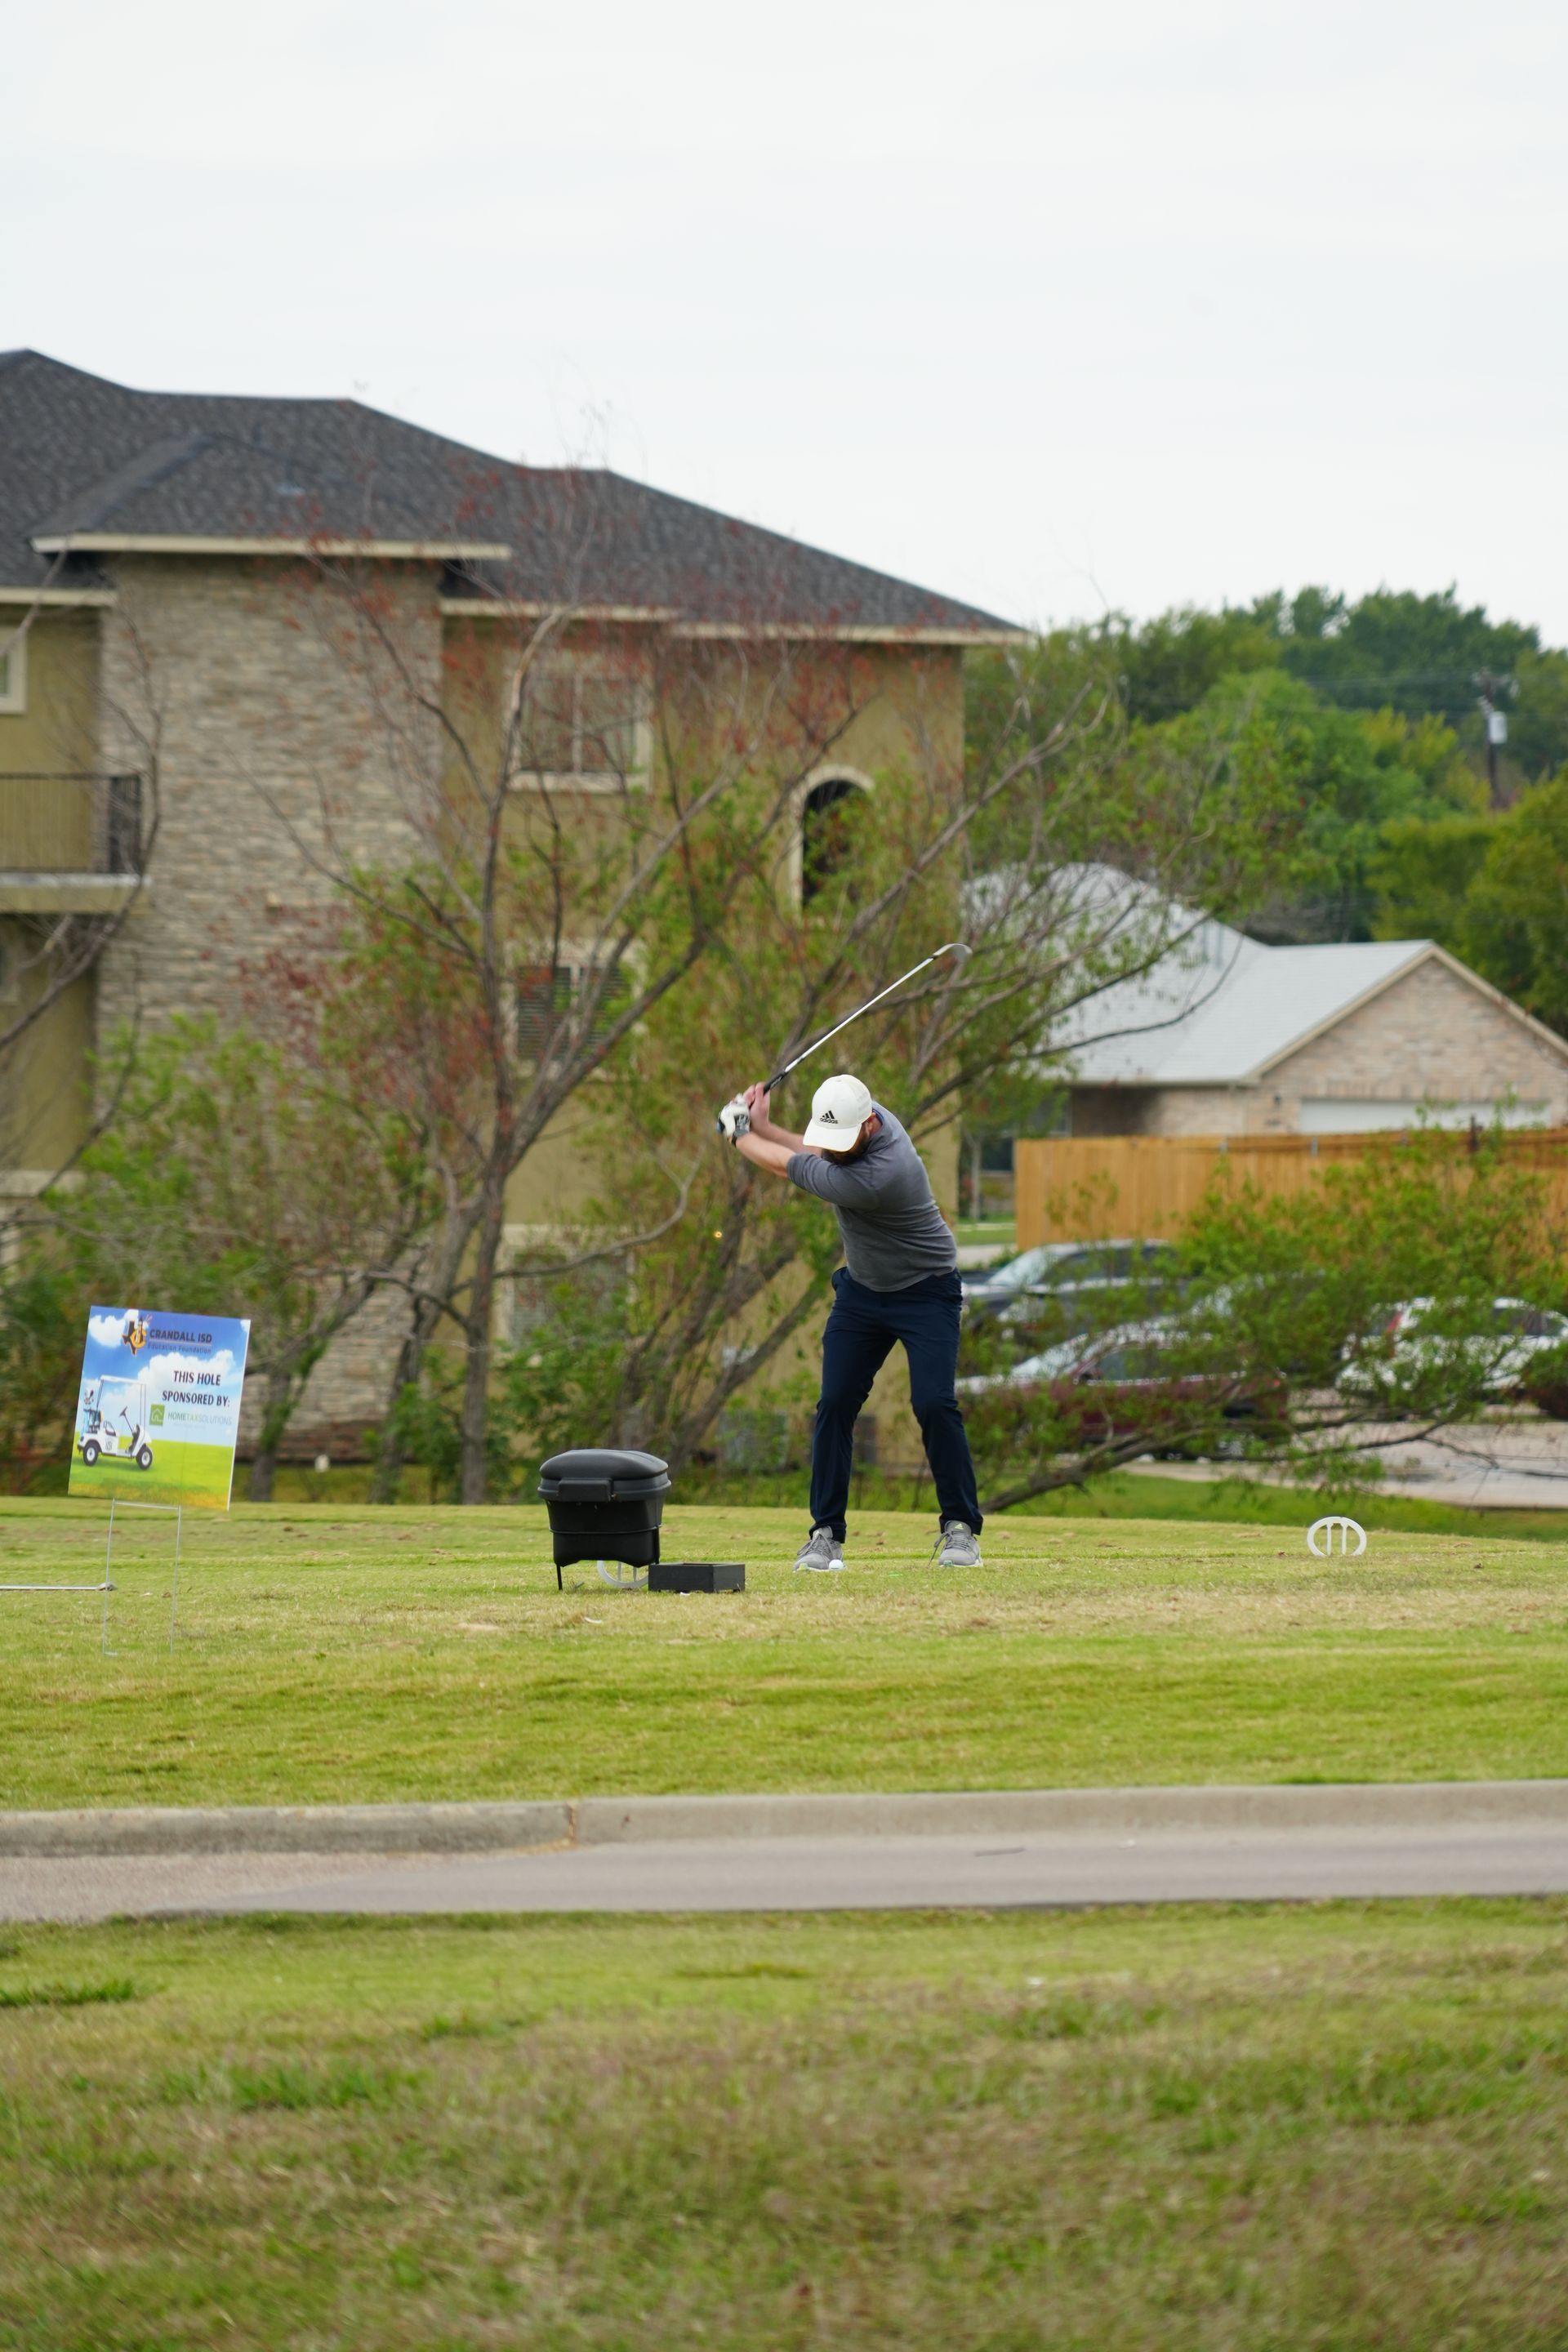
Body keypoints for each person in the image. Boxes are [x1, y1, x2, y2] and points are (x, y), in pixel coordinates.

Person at [724, 1071, 982, 1570]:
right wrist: (763, 1124)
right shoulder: (862, 1124)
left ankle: (960, 1529)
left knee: (933, 1403)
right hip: (864, 1292)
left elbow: (787, 1165)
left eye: (845, 1140)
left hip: (927, 1290)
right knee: (836, 1404)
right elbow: (813, 1149)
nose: (838, 1148)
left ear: (869, 1125)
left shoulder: (880, 1175)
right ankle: (825, 1535)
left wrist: (739, 1134)